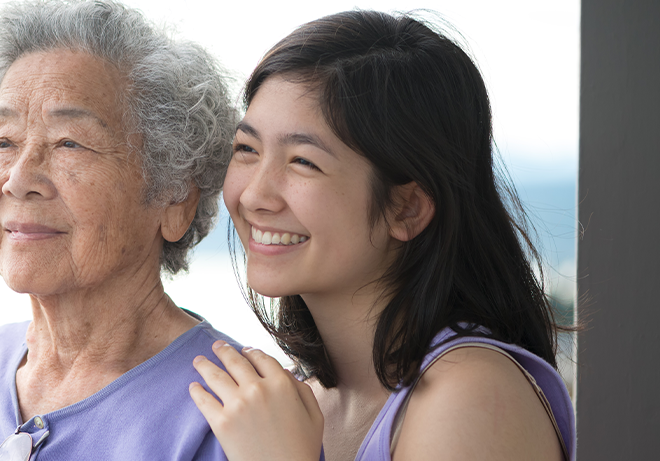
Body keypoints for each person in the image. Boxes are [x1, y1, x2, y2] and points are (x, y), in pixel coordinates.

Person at [187, 10, 575, 461]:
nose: (254, 194)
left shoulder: (470, 394)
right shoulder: (297, 403)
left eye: (303, 162)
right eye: (247, 149)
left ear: (406, 208)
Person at [0, 1, 240, 460]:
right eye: (3, 142)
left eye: (69, 143)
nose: (18, 179)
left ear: (174, 198)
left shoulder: (239, 412)